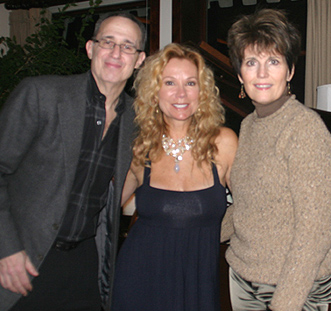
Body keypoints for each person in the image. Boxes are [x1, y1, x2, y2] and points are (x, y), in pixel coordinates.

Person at [0, 12, 146, 311]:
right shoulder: (41, 94)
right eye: (108, 41)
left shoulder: (135, 119)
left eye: (127, 46)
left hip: (84, 263)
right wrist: (7, 249)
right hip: (24, 259)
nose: (116, 53)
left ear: (139, 59)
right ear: (91, 48)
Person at [110, 43, 238, 311]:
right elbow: (102, 209)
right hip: (138, 280)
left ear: (202, 92)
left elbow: (252, 209)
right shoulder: (138, 147)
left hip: (198, 281)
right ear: (154, 92)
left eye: (190, 83)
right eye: (170, 82)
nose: (181, 93)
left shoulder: (224, 143)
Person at [221, 8, 331, 311]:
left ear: (290, 70)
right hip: (244, 277)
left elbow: (316, 231)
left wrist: (284, 304)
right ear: (240, 73)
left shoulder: (305, 128)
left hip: (295, 288)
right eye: (251, 62)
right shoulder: (249, 125)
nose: (262, 73)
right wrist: (201, 229)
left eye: (274, 61)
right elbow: (247, 204)